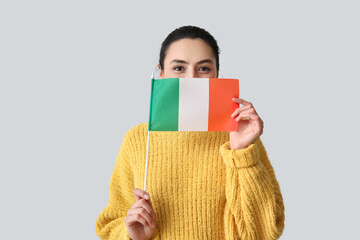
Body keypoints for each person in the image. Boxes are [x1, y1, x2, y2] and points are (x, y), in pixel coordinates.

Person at [95, 25, 285, 240]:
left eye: (203, 68)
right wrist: (132, 235)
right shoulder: (138, 138)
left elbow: (266, 231)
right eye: (178, 68)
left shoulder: (240, 136)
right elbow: (109, 226)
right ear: (161, 72)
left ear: (217, 74)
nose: (191, 78)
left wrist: (242, 153)